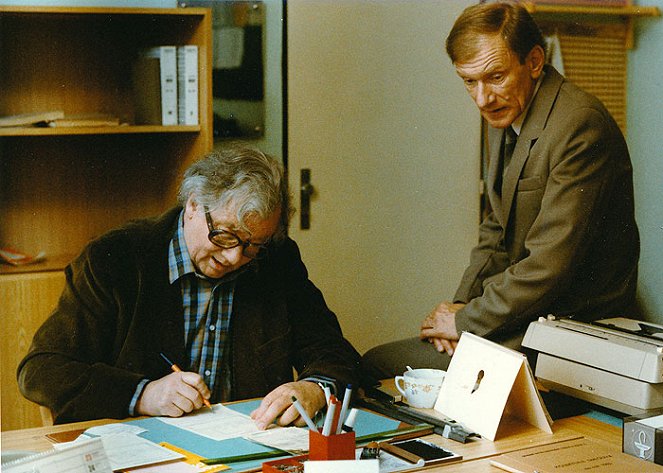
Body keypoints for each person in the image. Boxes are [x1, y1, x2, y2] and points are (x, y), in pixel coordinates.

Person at [361, 1, 639, 380]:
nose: (482, 99)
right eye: (468, 81)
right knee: (387, 363)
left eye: (495, 76)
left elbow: (547, 266)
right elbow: (496, 226)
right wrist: (461, 305)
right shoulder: (506, 109)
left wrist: (464, 322)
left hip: (574, 328)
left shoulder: (579, 126)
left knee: (380, 366)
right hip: (527, 314)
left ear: (535, 61)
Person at [18, 144, 360, 427]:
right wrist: (143, 394)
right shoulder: (116, 258)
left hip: (250, 450)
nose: (234, 257)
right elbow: (42, 369)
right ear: (193, 204)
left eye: (252, 245)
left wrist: (315, 387)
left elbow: (335, 353)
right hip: (147, 452)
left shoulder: (275, 259)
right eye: (224, 236)